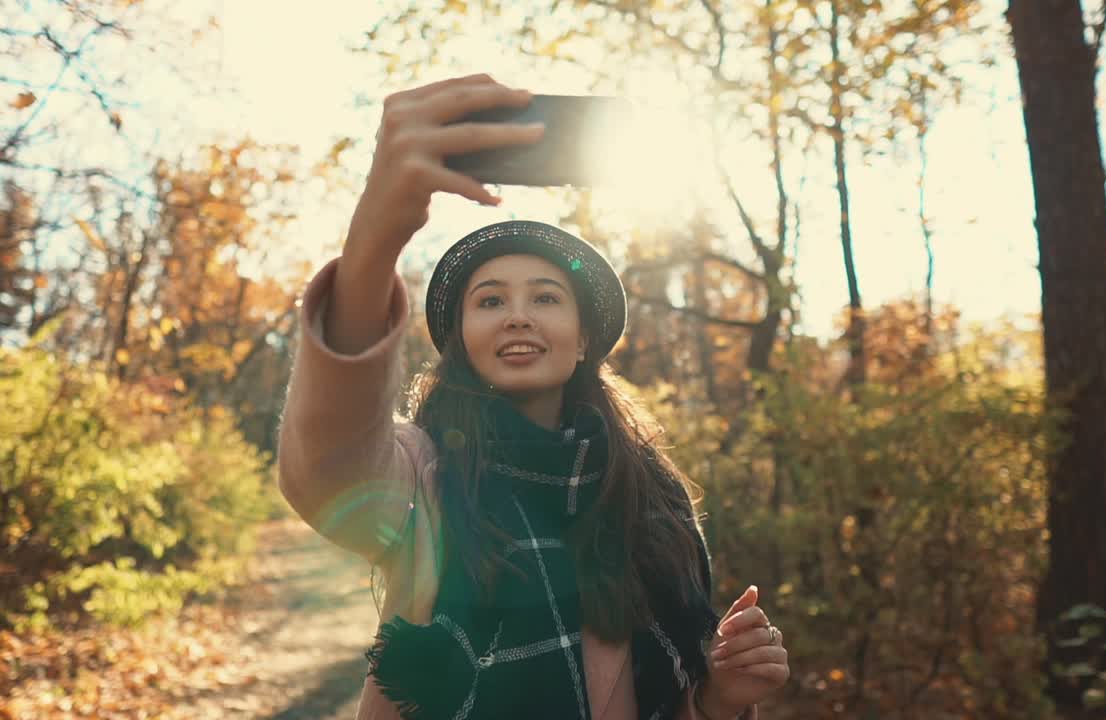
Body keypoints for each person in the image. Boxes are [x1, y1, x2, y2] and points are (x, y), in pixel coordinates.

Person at [278, 73, 789, 720]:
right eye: (490, 301)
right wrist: (377, 234)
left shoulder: (654, 497)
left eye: (546, 297)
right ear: (462, 340)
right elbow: (327, 468)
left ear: (582, 341)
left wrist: (717, 699)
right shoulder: (423, 474)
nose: (517, 316)